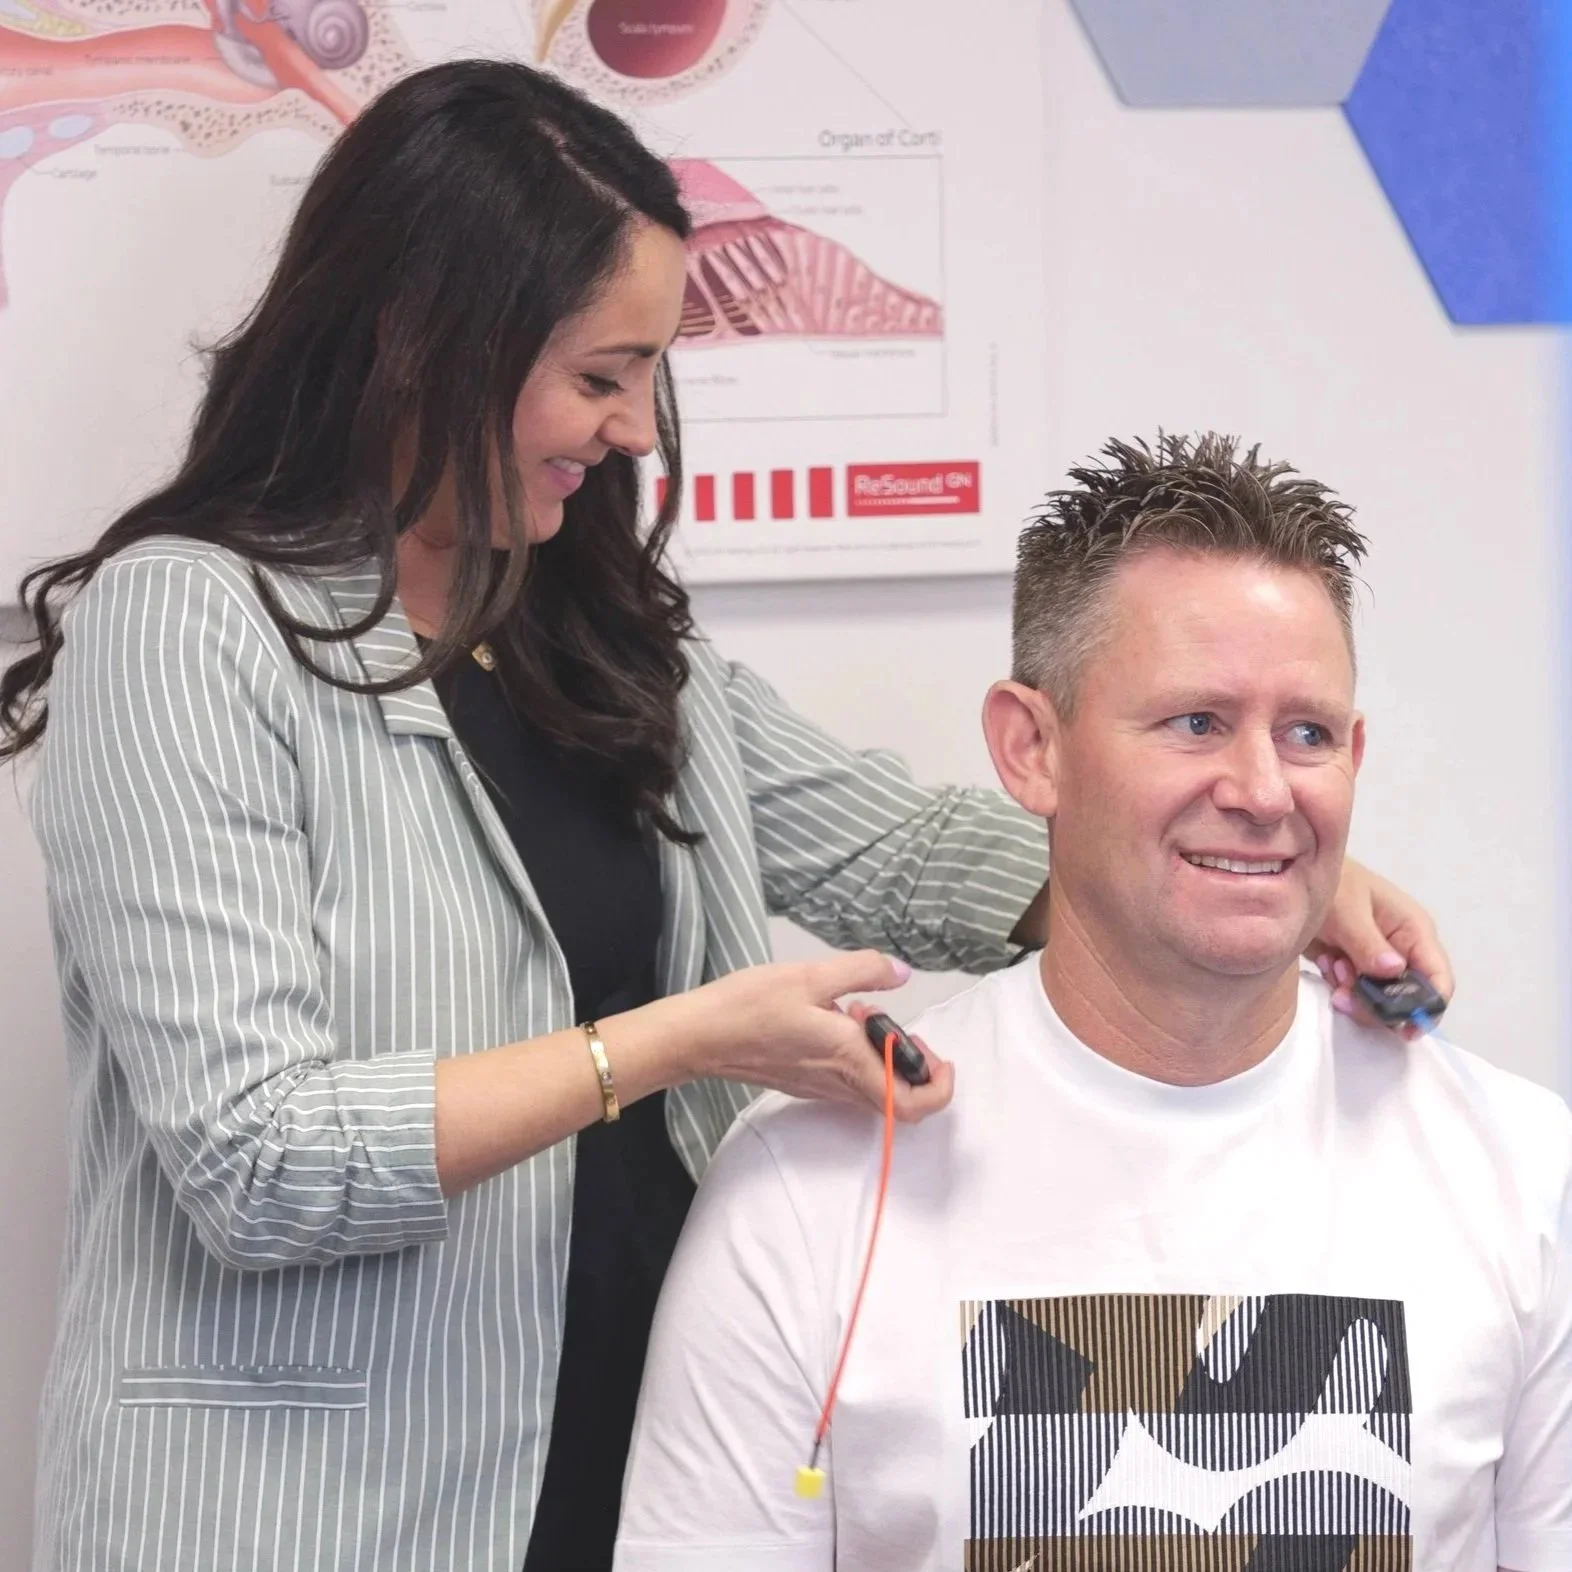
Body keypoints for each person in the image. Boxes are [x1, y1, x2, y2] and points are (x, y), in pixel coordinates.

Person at [0, 56, 1447, 1571]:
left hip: (622, 1471)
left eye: (650, 378)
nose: (634, 430)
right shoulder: (187, 627)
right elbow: (256, 1158)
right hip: (304, 1515)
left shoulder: (598, 639)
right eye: (599, 375)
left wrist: (1243, 864)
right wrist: (676, 1044)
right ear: (420, 340)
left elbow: (900, 855)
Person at [614, 435, 1570, 1572]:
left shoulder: (1523, 1172)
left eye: (1306, 733)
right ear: (1032, 749)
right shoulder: (809, 1183)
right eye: (1196, 723)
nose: (1263, 790)